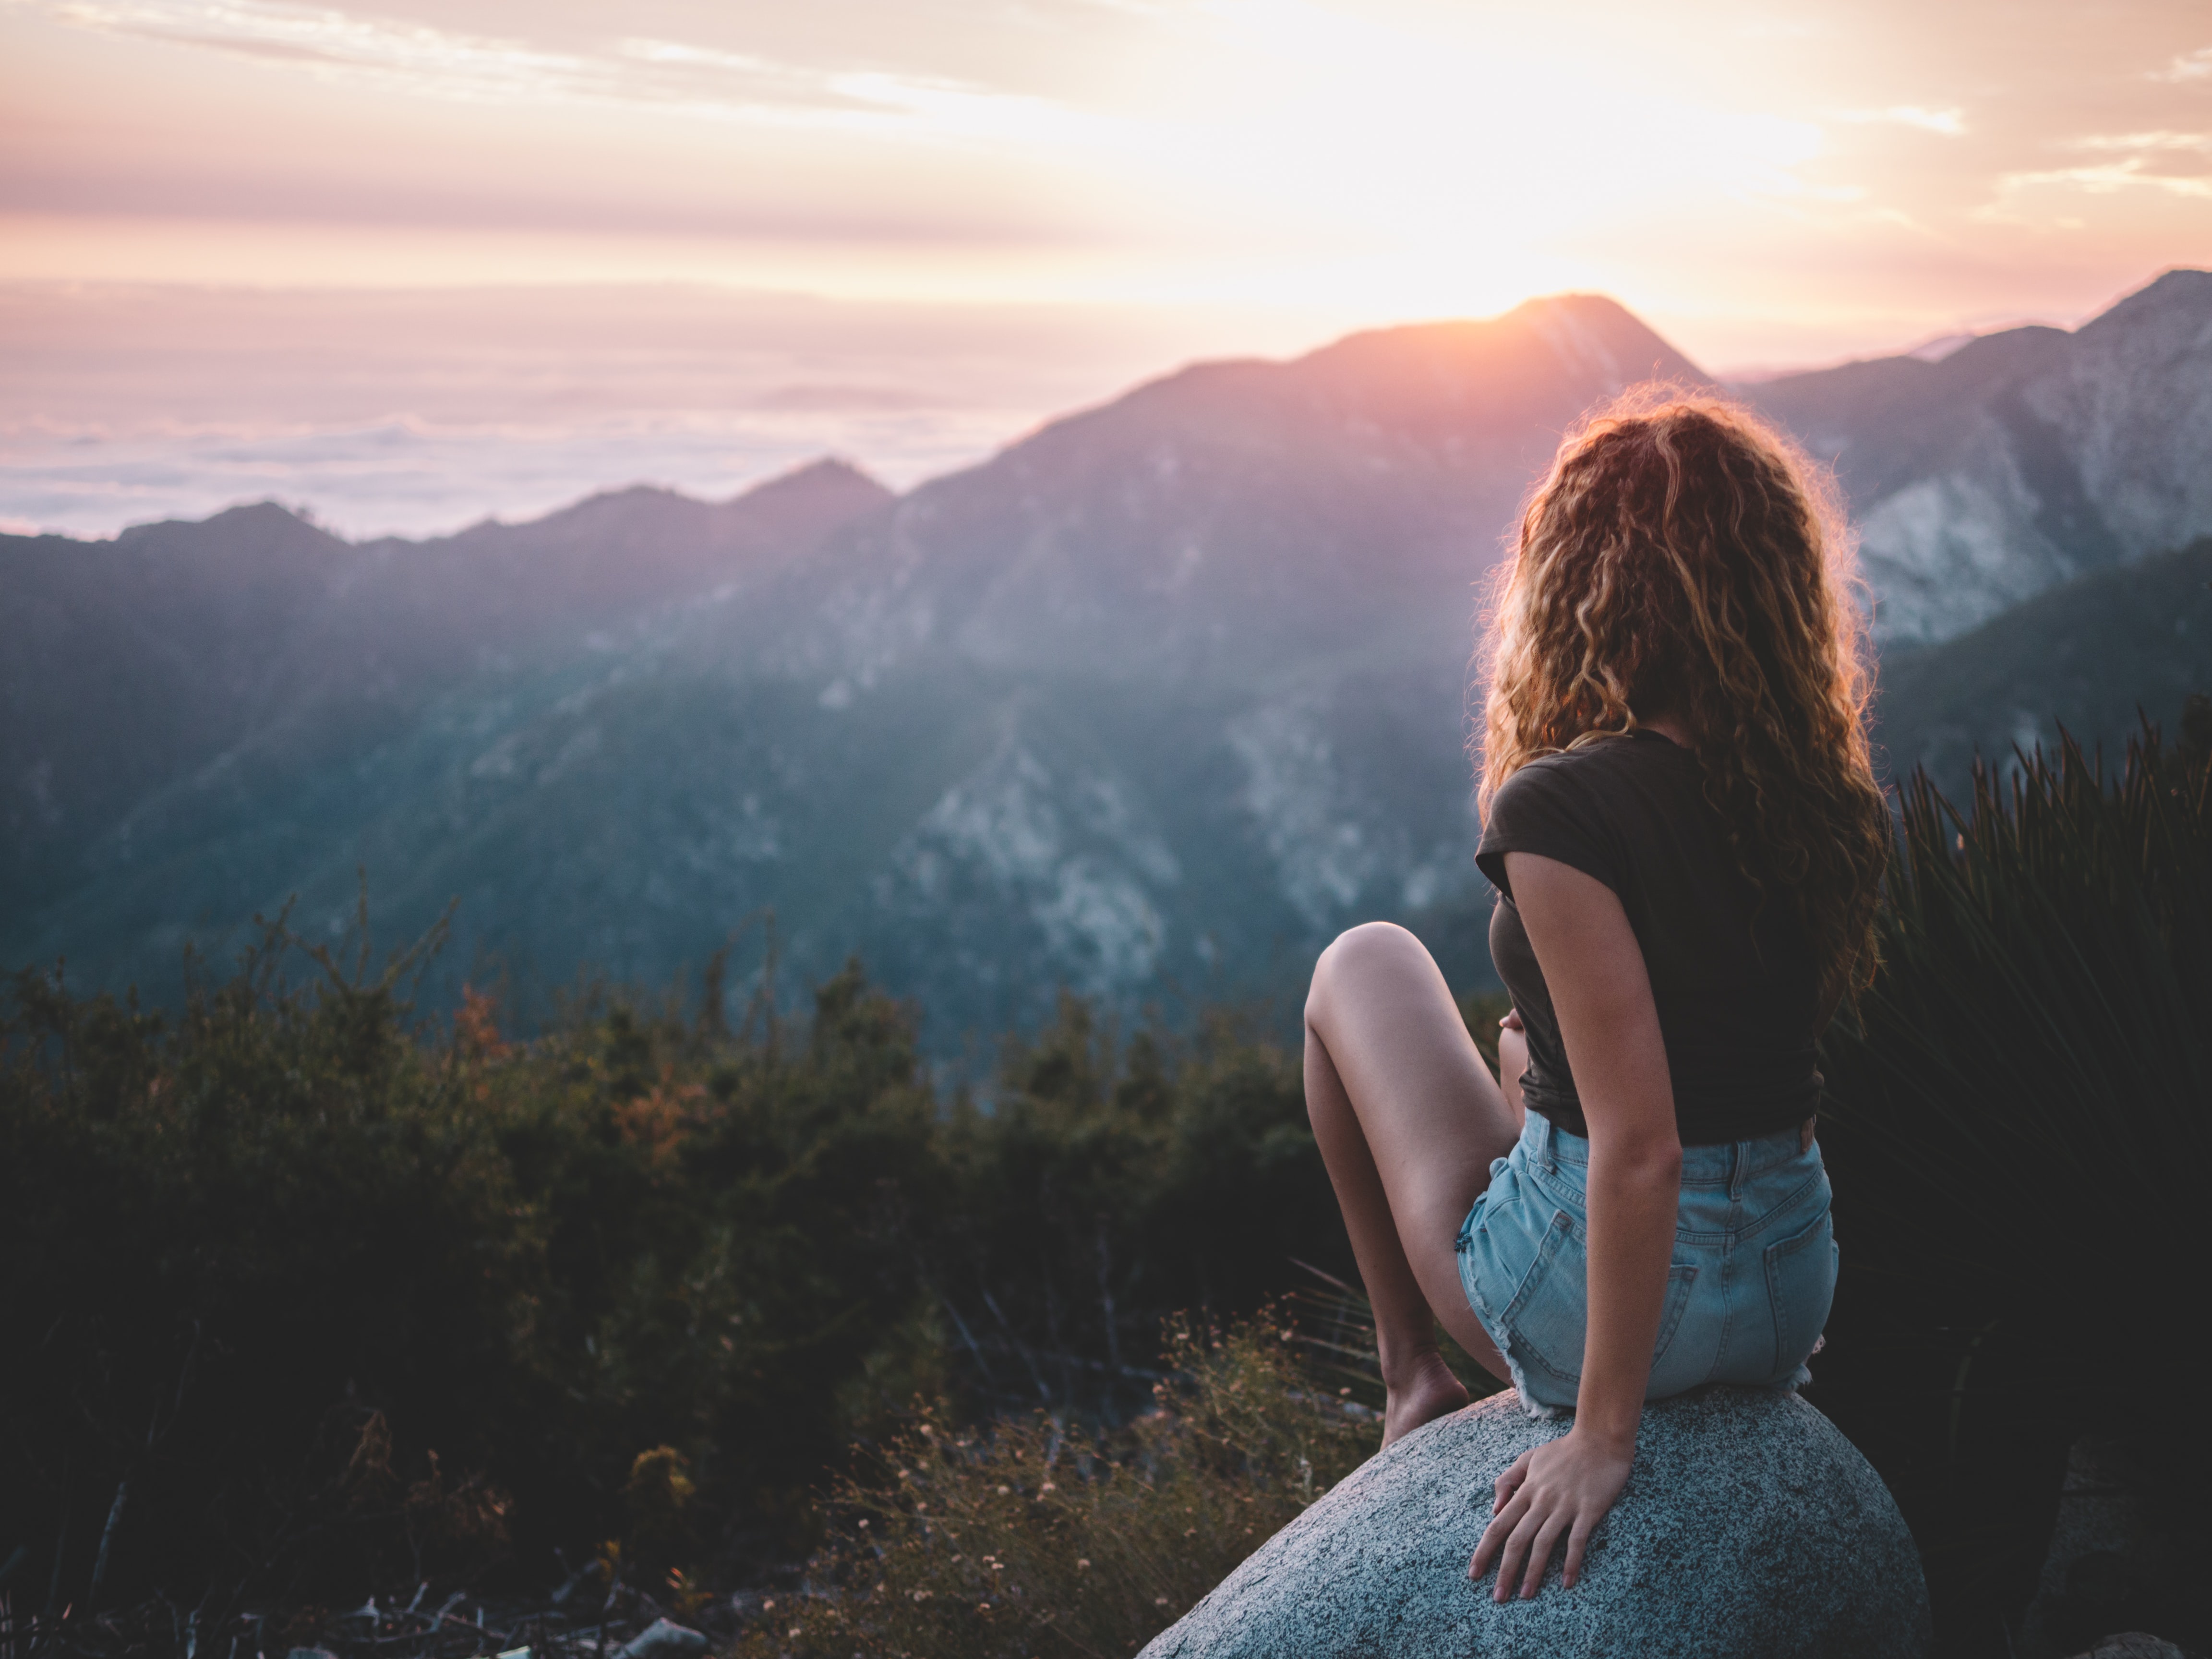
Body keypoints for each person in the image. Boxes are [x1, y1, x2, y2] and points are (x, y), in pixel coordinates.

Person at [1302, 387, 1892, 1604]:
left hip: (1605, 1308)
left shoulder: (1558, 810)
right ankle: (1484, 1345)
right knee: (1527, 1055)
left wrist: (1601, 1438)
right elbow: (1762, 1070)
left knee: (1360, 964)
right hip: (1790, 1291)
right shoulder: (1815, 796)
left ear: (1585, 588)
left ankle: (1413, 1374)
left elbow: (1644, 1151)